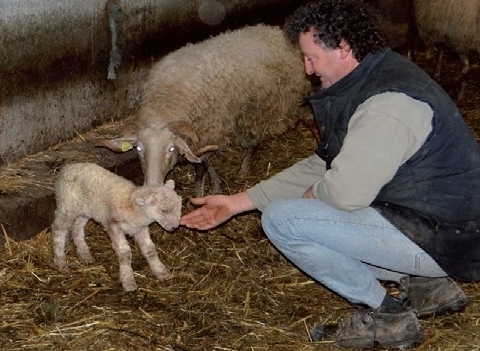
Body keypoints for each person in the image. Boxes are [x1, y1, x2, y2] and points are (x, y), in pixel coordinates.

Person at [180, 0, 480, 349]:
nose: (307, 69)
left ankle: (386, 314)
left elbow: (343, 194)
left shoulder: (388, 104)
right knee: (303, 208)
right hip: (433, 220)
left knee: (283, 220)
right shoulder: (370, 78)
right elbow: (324, 162)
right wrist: (237, 202)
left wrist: (312, 196)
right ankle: (426, 285)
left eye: (311, 57)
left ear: (343, 48)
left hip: (450, 239)